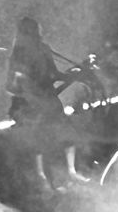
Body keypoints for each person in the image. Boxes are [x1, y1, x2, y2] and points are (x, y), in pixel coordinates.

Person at [5, 16, 91, 188]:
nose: (38, 35)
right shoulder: (19, 54)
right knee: (40, 142)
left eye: (38, 31)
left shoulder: (44, 49)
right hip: (28, 105)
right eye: (33, 31)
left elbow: (54, 74)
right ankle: (41, 177)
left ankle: (71, 172)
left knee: (67, 134)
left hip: (49, 101)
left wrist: (74, 75)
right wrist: (30, 98)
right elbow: (12, 85)